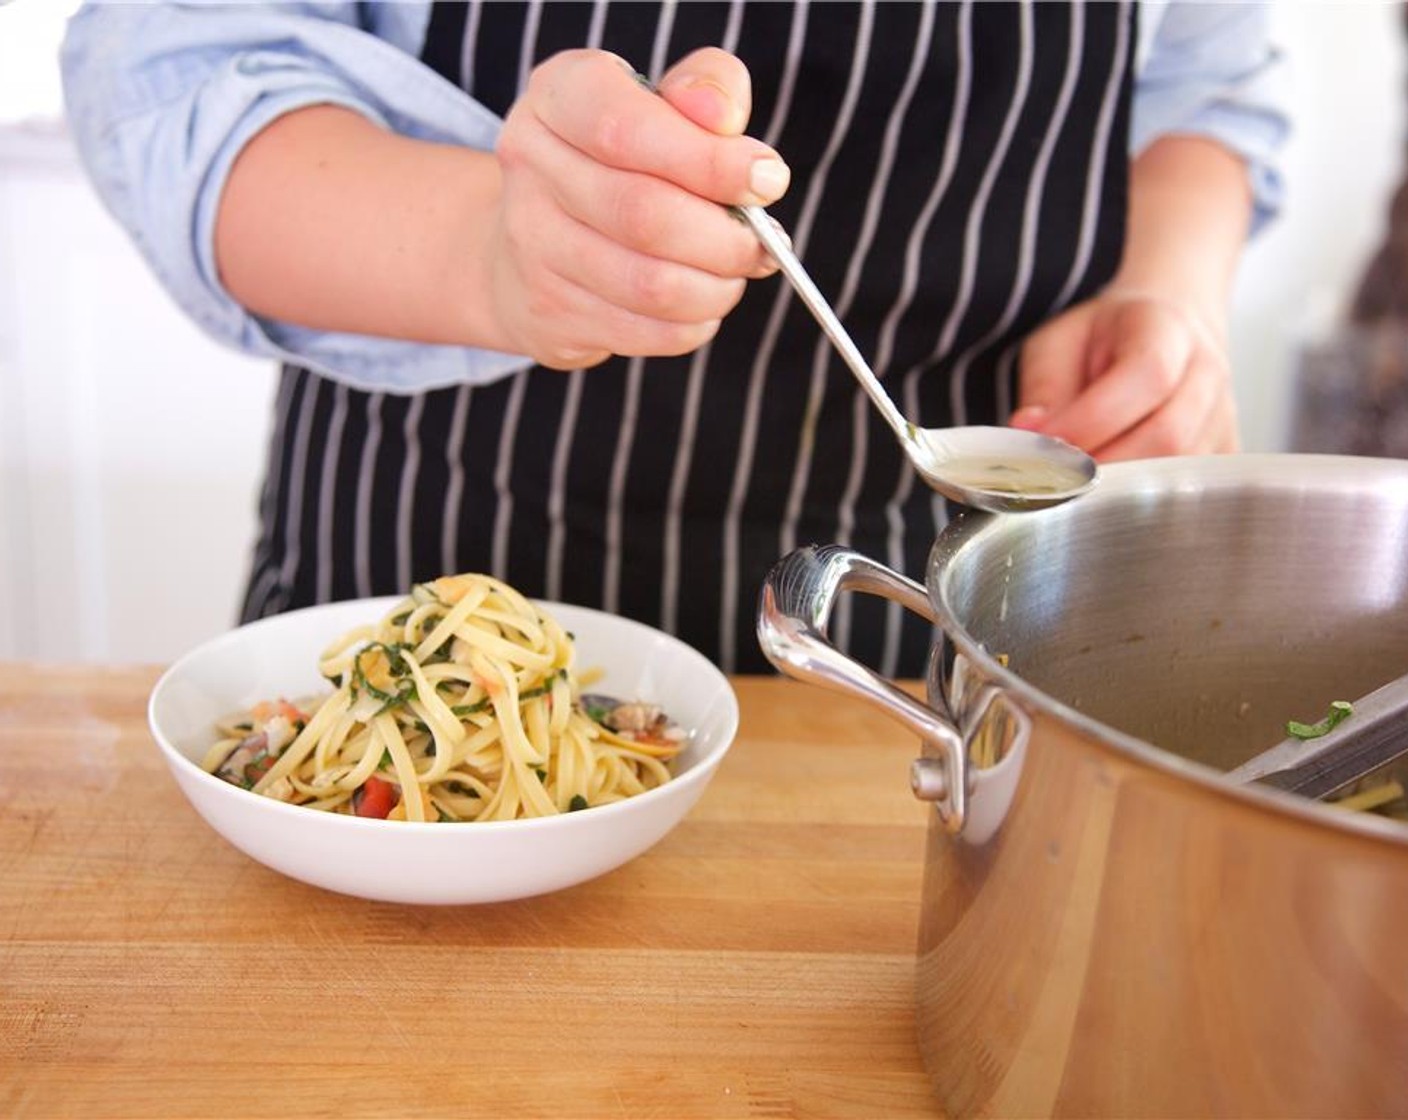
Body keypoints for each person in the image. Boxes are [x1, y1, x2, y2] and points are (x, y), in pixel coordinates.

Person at [60, 1, 1289, 675]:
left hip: (942, 648)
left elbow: (1198, 83)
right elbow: (178, 68)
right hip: (425, 578)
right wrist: (488, 251)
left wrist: (1167, 294)